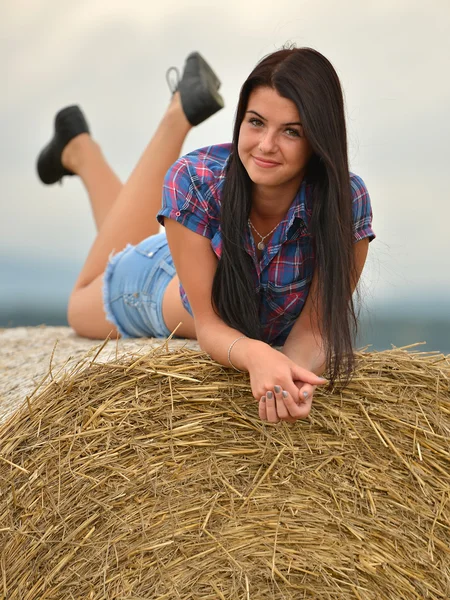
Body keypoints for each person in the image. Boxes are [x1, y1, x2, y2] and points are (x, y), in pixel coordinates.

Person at [36, 48, 375, 424]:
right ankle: (106, 141)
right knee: (80, 305)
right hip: (160, 282)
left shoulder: (346, 201)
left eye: (291, 132)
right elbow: (209, 325)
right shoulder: (195, 179)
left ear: (319, 139)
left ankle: (76, 145)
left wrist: (289, 379)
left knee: (125, 238)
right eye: (256, 122)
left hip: (194, 241)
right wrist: (254, 355)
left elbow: (316, 327)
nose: (265, 145)